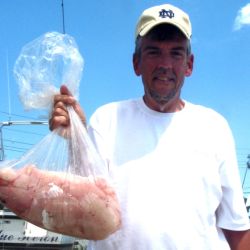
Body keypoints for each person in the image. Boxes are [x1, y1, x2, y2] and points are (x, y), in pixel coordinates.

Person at [49, 3, 250, 250]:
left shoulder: (215, 127)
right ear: (136, 63)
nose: (165, 64)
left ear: (189, 65)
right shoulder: (106, 120)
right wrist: (76, 136)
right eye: (153, 52)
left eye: (176, 53)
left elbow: (237, 228)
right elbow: (85, 206)